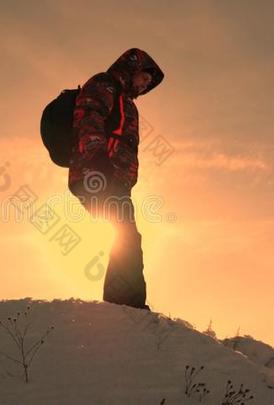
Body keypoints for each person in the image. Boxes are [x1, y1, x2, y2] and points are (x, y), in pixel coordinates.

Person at [68, 48, 164, 310]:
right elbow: (89, 115)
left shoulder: (128, 103)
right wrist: (96, 158)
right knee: (126, 235)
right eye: (144, 77)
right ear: (132, 69)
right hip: (96, 174)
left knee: (126, 235)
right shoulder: (104, 84)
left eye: (148, 83)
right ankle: (125, 306)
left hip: (116, 181)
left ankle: (125, 304)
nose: (145, 85)